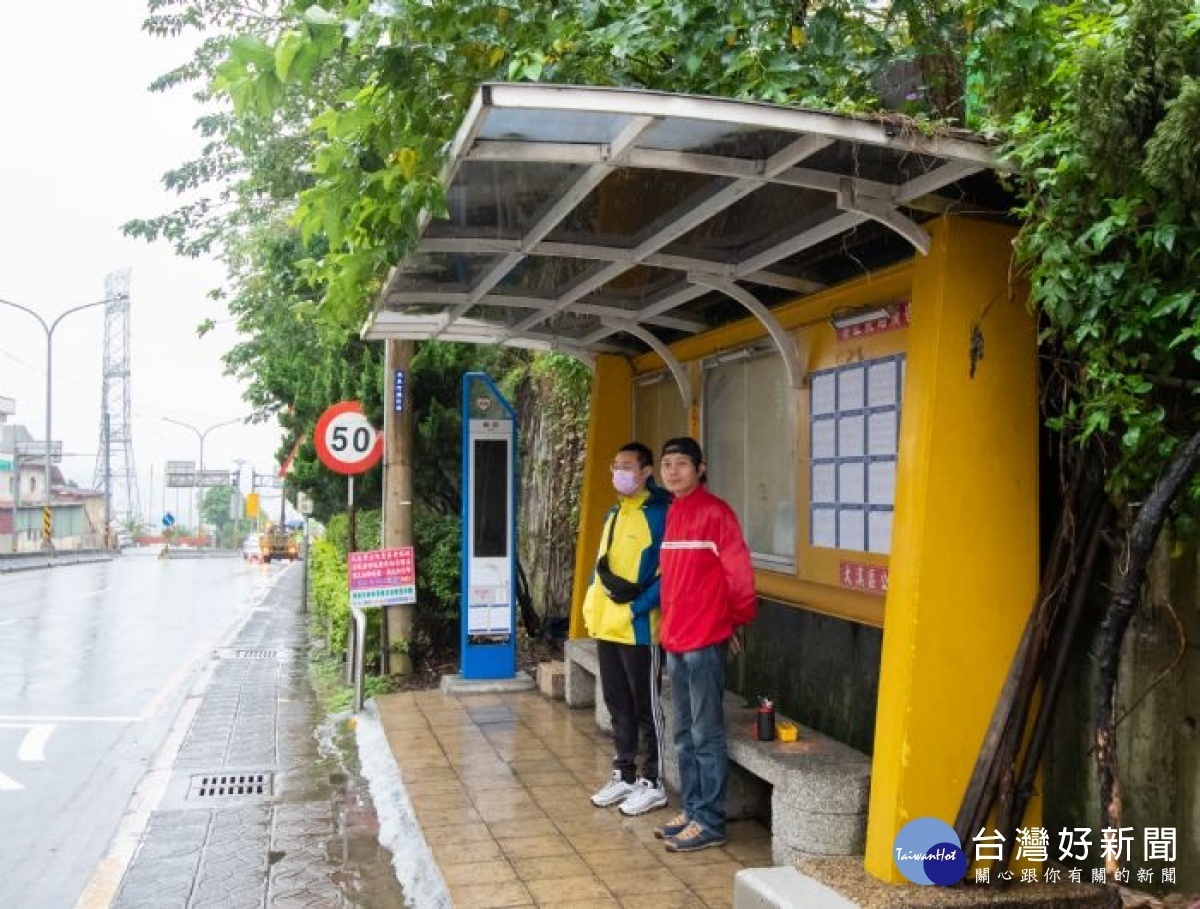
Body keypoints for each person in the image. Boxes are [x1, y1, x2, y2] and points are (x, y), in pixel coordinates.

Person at [655, 436, 756, 852]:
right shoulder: (674, 512)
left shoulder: (716, 513)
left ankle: (710, 821)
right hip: (675, 639)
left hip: (703, 640)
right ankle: (693, 810)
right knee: (683, 733)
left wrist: (733, 620)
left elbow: (740, 577)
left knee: (706, 733)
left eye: (681, 463)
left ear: (701, 467)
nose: (673, 471)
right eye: (667, 464)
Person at [582, 442, 672, 817]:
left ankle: (653, 782)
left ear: (647, 471)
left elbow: (669, 574)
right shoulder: (615, 512)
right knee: (617, 704)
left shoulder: (662, 513)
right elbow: (603, 565)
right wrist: (591, 602)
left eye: (628, 466)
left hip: (640, 630)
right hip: (607, 627)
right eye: (615, 465)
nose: (620, 472)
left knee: (645, 708)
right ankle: (625, 772)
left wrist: (635, 609)